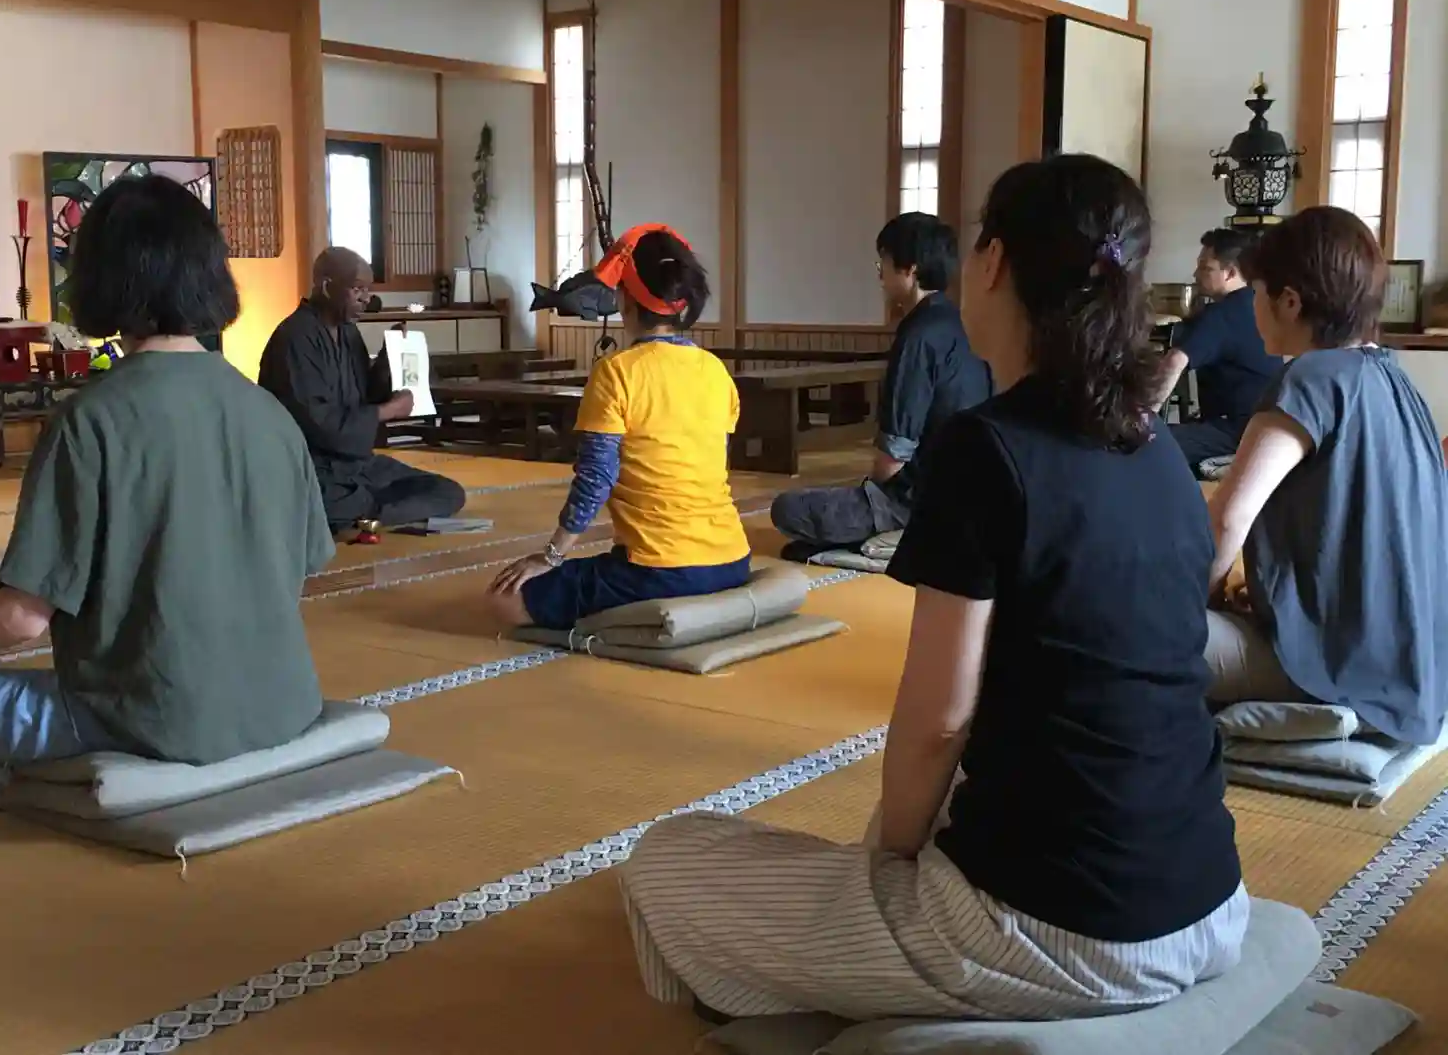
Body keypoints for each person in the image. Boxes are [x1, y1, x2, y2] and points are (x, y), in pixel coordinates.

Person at [620, 156, 1246, 1023]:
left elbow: (938, 721)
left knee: (666, 856)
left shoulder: (987, 449)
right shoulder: (1158, 449)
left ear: (993, 261)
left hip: (1059, 930)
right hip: (1212, 902)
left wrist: (888, 866)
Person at [0, 175, 330, 766]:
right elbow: (293, 579)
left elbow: (22, 619)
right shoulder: (271, 414)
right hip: (282, 708)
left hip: (147, 724)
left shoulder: (90, 419)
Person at [1204, 207, 1447, 746]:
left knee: (1120, 629)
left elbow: (1227, 521)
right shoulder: (1395, 379)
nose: (1253, 309)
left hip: (1336, 668)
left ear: (1290, 301)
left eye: (1257, 293)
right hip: (1416, 670)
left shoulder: (1311, 378)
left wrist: (1197, 601)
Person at [487, 225, 751, 629]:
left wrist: (551, 556)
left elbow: (596, 476)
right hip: (732, 560)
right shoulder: (716, 371)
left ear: (624, 299)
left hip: (661, 568)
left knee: (503, 599)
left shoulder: (617, 372)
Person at [769, 213, 991, 554]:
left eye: (884, 264)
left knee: (788, 508)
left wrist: (871, 494)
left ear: (910, 270)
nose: (880, 276)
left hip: (919, 498)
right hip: (972, 491)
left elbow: (893, 459)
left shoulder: (918, 334)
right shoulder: (961, 323)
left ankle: (902, 539)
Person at [258, 247, 466, 532]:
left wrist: (389, 357)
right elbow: (321, 424)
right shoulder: (295, 338)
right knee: (322, 500)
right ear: (327, 287)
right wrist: (387, 411)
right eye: (357, 289)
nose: (366, 298)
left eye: (368, 290)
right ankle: (359, 510)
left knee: (448, 492)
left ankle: (364, 511)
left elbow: (365, 394)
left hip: (357, 465)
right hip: (313, 469)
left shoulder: (348, 333)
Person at [1155, 228, 1284, 472]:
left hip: (1237, 430)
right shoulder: (1253, 303)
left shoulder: (1222, 314)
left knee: (1150, 443)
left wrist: (1145, 418)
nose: (1196, 274)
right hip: (1264, 426)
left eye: (1205, 268)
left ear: (1230, 273)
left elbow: (1174, 361)